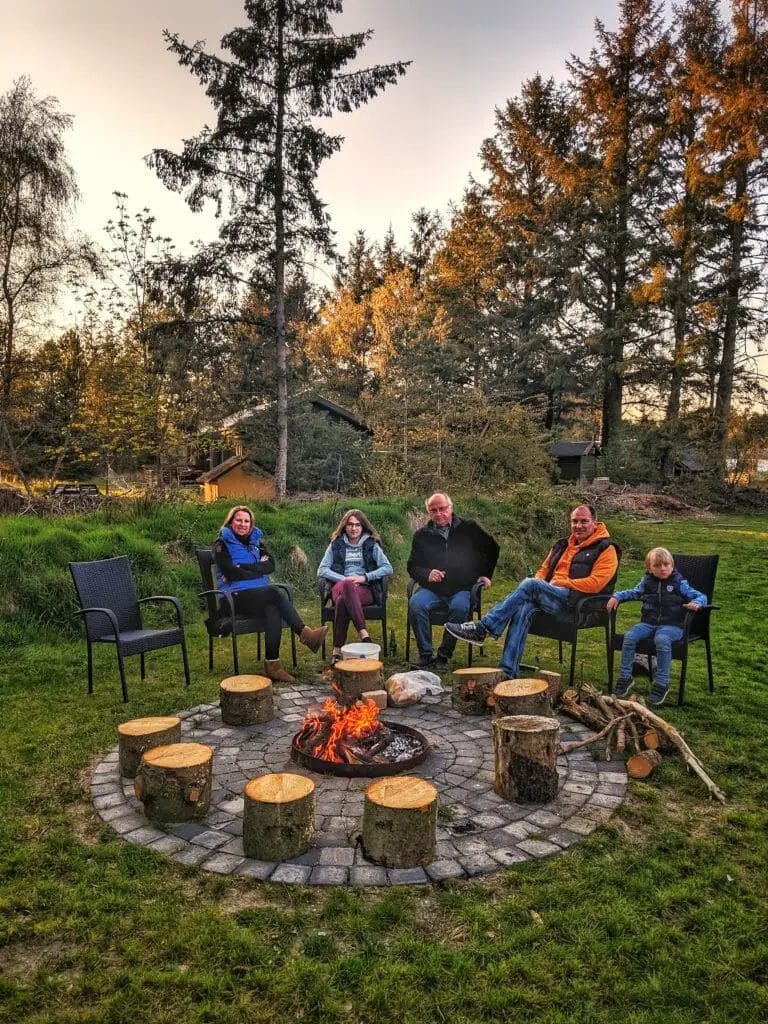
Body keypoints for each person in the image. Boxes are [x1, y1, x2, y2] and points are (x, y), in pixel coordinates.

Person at [446, 504, 619, 680]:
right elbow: (542, 572)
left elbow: (596, 584)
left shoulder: (606, 549)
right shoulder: (561, 544)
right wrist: (542, 585)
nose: (578, 526)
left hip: (578, 604)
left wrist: (562, 582)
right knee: (523, 608)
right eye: (574, 521)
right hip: (553, 596)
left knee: (531, 585)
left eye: (584, 521)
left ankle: (483, 628)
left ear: (595, 523)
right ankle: (508, 672)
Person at [212, 505, 327, 684]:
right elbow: (230, 572)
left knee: (273, 608)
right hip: (234, 597)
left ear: (251, 524)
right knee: (274, 592)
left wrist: (242, 567)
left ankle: (273, 666)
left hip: (259, 596)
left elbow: (270, 566)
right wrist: (256, 569)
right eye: (239, 520)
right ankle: (306, 634)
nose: (242, 524)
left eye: (246, 521)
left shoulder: (257, 542)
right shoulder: (221, 544)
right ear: (231, 522)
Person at [407, 492, 500, 668]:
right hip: (432, 590)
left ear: (451, 508)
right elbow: (412, 566)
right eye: (433, 510)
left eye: (442, 509)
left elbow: (492, 548)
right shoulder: (421, 535)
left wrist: (485, 573)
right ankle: (425, 655)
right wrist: (426, 573)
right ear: (429, 512)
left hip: (463, 588)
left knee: (460, 607)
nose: (439, 513)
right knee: (416, 604)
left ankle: (443, 656)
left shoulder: (469, 528)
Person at [606, 547, 706, 707]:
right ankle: (626, 677)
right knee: (630, 636)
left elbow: (701, 596)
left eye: (666, 565)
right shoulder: (647, 581)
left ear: (672, 566)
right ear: (649, 568)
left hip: (672, 626)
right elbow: (634, 592)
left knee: (662, 639)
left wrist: (697, 603)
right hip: (649, 623)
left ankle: (662, 683)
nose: (663, 569)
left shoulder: (679, 583)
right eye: (657, 566)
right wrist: (617, 596)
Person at [317, 509, 394, 665]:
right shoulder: (336, 544)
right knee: (346, 586)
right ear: (344, 527)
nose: (354, 528)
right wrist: (345, 579)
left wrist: (364, 577)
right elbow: (322, 569)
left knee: (341, 603)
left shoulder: (370, 544)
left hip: (364, 589)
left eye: (357, 525)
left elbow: (387, 568)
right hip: (340, 585)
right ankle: (363, 633)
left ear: (363, 526)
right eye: (350, 524)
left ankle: (337, 651)